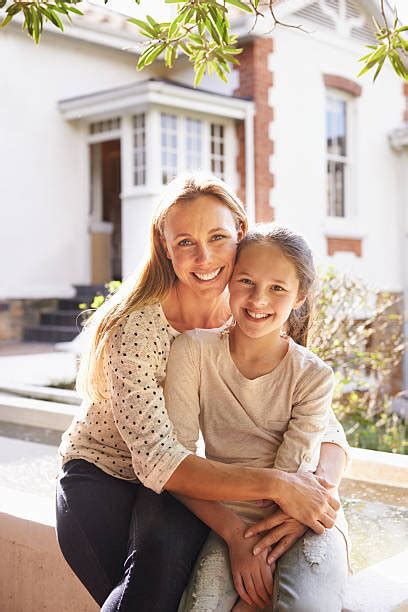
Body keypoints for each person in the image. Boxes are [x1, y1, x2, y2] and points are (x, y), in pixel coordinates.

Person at [56, 174, 347, 612]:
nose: (205, 256)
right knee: (149, 592)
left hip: (188, 481)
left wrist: (314, 493)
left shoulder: (251, 307)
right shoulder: (136, 329)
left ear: (240, 235)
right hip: (107, 473)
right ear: (165, 246)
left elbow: (320, 420)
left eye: (218, 237)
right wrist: (276, 490)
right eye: (186, 242)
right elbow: (159, 459)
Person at [165, 224, 350, 611]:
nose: (258, 299)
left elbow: (293, 477)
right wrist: (236, 537)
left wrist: (255, 592)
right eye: (246, 281)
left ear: (299, 296)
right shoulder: (193, 351)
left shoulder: (314, 375)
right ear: (229, 281)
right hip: (227, 516)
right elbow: (175, 466)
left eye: (277, 288)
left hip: (304, 515)